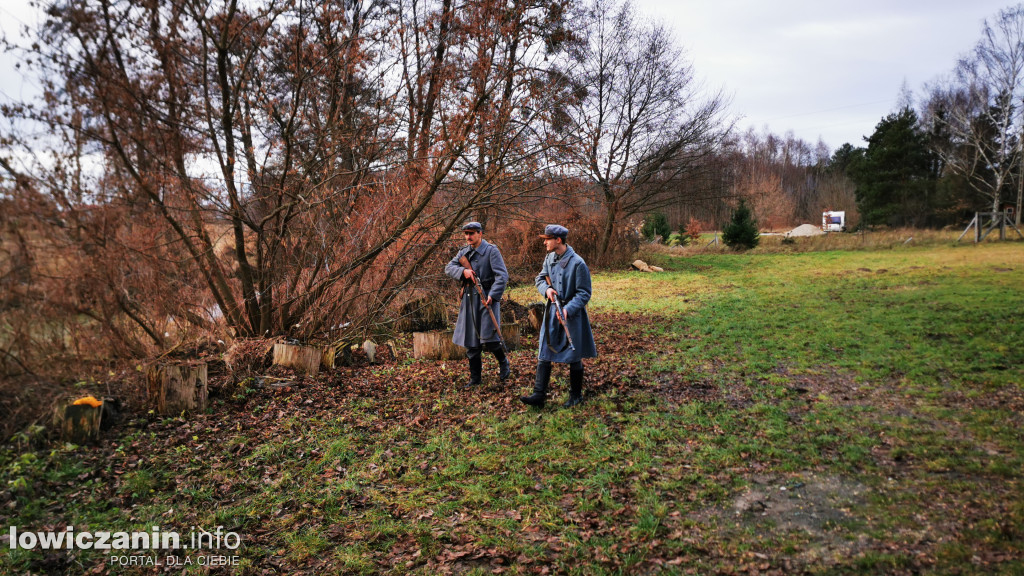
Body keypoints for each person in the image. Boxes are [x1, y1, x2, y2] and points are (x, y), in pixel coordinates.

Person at [521, 224, 597, 408]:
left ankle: (576, 395)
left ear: (559, 240)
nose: (545, 242)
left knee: (574, 353)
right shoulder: (549, 258)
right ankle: (539, 395)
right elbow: (540, 278)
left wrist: (568, 309)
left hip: (572, 316)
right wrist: (546, 290)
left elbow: (584, 293)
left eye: (548, 239)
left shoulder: (578, 263)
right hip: (551, 313)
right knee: (544, 351)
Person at [445, 222, 510, 389]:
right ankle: (475, 378)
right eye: (466, 233)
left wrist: (493, 296)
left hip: (487, 297)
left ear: (480, 233)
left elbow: (502, 276)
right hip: (469, 300)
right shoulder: (463, 252)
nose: (468, 237)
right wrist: (463, 272)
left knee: (491, 339)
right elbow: (449, 268)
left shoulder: (491, 251)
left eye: (471, 233)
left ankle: (503, 363)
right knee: (471, 342)